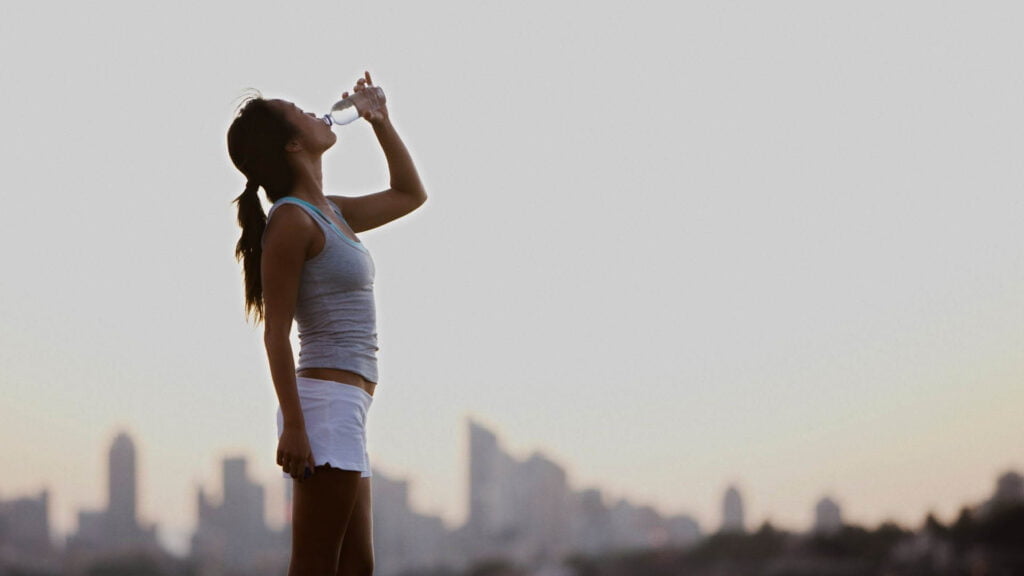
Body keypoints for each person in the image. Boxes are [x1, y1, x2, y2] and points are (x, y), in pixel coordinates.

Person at [226, 71, 426, 575]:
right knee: (314, 566)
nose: (318, 113)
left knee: (357, 566)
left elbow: (410, 194)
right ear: (294, 143)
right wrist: (293, 424)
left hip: (346, 408)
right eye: (301, 112)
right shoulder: (292, 221)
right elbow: (276, 335)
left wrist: (380, 119)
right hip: (322, 409)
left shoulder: (329, 212)